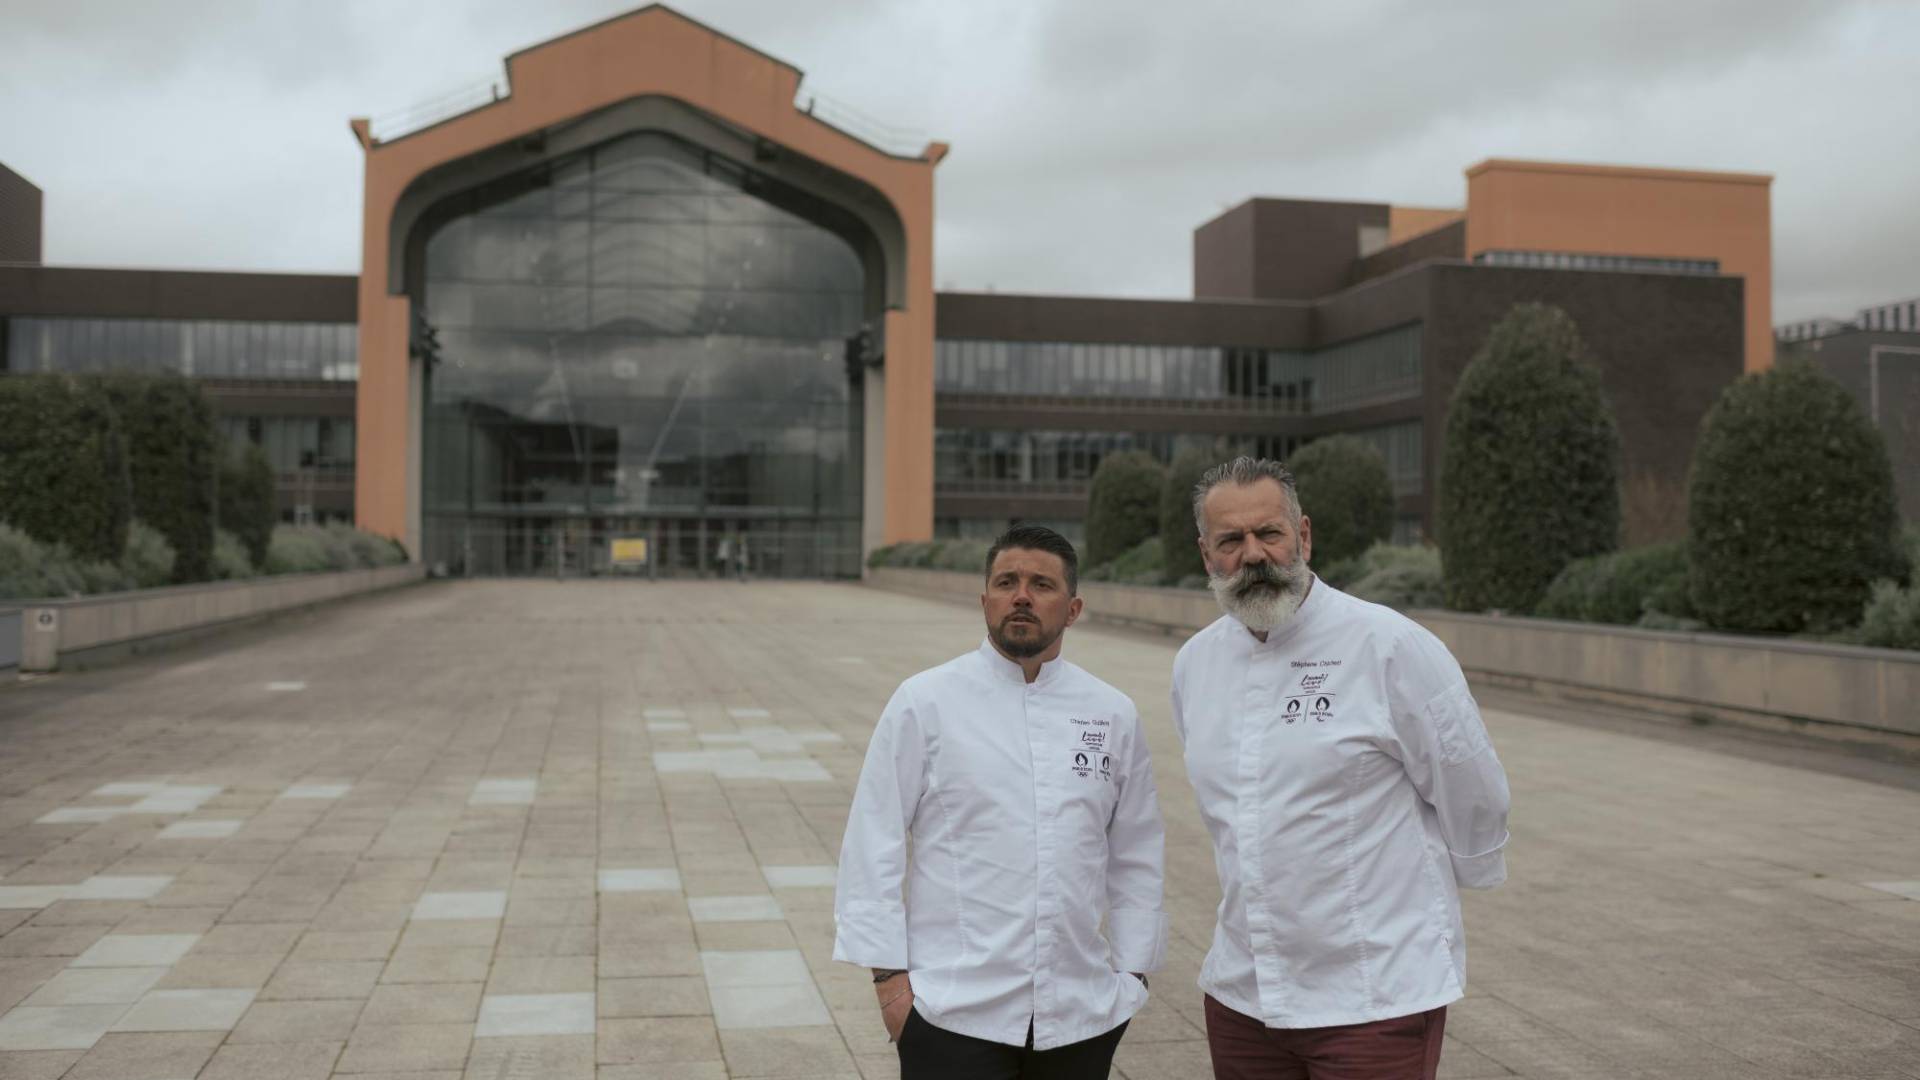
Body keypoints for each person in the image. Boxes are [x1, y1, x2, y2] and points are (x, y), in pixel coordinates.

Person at [1172, 457, 1510, 1080]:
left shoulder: (1389, 646)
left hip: (1373, 994)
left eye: (1269, 533)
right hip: (1244, 995)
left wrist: (1448, 885)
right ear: (1206, 554)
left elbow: (1474, 790)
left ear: (1303, 535)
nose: (1253, 555)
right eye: (1231, 540)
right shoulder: (1195, 665)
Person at [835, 524, 1167, 1079]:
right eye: (1007, 582)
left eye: (1042, 584)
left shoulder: (1112, 712)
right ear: (984, 599)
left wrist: (1133, 975)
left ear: (1074, 608)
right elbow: (874, 838)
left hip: (1079, 1014)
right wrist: (890, 984)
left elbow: (1137, 848)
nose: (1022, 596)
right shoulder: (925, 702)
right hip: (952, 1011)